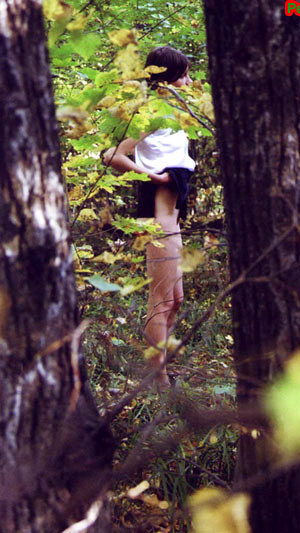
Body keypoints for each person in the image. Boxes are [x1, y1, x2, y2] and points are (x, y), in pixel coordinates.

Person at [103, 46, 195, 389]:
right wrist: (151, 176)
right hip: (158, 217)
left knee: (177, 299)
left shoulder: (174, 113)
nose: (189, 80)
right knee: (161, 299)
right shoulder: (149, 115)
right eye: (184, 74)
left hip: (173, 217)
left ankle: (163, 365)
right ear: (168, 78)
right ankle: (160, 380)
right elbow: (111, 155)